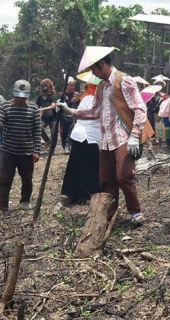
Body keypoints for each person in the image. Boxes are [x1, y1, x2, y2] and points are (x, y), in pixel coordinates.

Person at [58, 46, 152, 226]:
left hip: (123, 136)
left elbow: (140, 109)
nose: (93, 73)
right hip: (106, 139)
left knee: (124, 176)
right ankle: (110, 214)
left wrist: (134, 135)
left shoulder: (124, 81)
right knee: (106, 180)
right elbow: (95, 111)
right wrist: (71, 111)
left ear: (101, 64)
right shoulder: (101, 87)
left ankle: (135, 211)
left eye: (94, 68)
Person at [0, 80, 41, 213]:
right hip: (8, 151)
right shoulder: (5, 106)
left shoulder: (33, 108)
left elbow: (37, 130)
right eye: (18, 96)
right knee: (5, 179)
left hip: (26, 152)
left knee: (27, 179)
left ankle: (25, 201)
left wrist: (37, 150)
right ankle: (3, 206)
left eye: (23, 97)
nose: (20, 99)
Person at [59, 76, 101, 205]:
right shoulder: (97, 99)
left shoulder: (86, 98)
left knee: (75, 166)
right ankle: (88, 194)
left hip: (80, 135)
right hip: (93, 137)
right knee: (91, 167)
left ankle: (72, 193)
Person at [36, 78, 58, 148]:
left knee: (54, 134)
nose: (44, 89)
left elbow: (53, 106)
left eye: (46, 87)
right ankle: (47, 140)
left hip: (53, 118)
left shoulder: (53, 96)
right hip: (44, 118)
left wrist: (43, 109)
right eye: (43, 87)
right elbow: (36, 107)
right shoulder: (39, 98)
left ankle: (52, 149)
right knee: (38, 128)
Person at [60, 76, 80, 153]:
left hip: (73, 115)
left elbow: (79, 104)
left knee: (71, 129)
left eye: (73, 85)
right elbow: (63, 105)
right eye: (70, 85)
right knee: (63, 132)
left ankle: (69, 145)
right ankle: (64, 145)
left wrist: (78, 100)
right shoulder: (63, 94)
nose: (72, 87)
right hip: (64, 116)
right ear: (67, 86)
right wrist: (72, 101)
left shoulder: (76, 94)